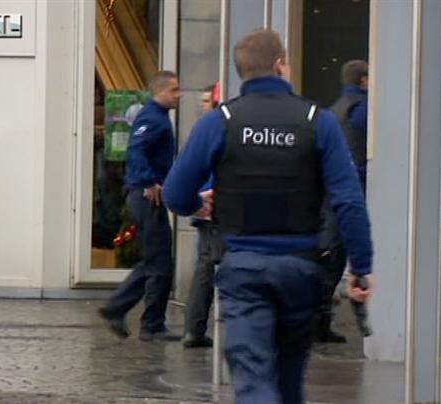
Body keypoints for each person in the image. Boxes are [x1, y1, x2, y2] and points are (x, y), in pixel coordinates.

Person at [162, 30, 374, 404]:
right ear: (280, 65)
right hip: (300, 270)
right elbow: (349, 201)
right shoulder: (317, 121)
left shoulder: (220, 121)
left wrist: (198, 205)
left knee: (254, 377)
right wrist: (361, 266)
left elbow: (175, 194)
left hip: (243, 268)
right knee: (289, 382)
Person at [98, 71, 182, 341]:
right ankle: (148, 323)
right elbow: (136, 149)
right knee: (159, 261)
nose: (179, 95)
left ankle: (126, 312)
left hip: (146, 196)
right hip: (146, 197)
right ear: (159, 92)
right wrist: (149, 182)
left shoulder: (157, 116)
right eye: (174, 90)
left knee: (156, 260)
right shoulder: (153, 117)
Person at [316, 60, 369, 343]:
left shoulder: (333, 111)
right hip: (355, 190)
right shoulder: (364, 109)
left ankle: (320, 321)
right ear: (364, 80)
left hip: (331, 191)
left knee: (331, 257)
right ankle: (365, 327)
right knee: (355, 260)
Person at [181, 83, 226, 348]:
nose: (203, 105)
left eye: (207, 100)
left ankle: (194, 328)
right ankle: (194, 329)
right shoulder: (216, 127)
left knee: (205, 266)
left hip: (206, 205)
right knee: (206, 268)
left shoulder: (205, 128)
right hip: (212, 206)